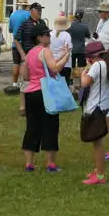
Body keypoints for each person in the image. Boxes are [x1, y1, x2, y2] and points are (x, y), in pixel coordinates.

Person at [22, 21, 69, 172]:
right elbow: (54, 68)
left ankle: (29, 163)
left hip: (31, 92)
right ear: (39, 37)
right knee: (50, 126)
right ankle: (50, 163)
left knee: (32, 127)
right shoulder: (45, 51)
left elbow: (26, 76)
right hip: (45, 92)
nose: (49, 36)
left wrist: (60, 57)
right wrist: (66, 57)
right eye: (47, 34)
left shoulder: (30, 53)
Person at [80, 41, 109, 185]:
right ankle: (98, 169)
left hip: (95, 107)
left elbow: (85, 83)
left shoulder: (96, 66)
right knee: (97, 141)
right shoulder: (107, 65)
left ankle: (100, 176)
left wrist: (83, 73)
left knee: (97, 143)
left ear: (91, 57)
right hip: (103, 105)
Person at [13, 3, 44, 113]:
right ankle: (23, 106)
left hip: (41, 56)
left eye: (41, 10)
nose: (40, 12)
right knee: (25, 81)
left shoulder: (43, 23)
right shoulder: (25, 24)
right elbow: (16, 39)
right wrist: (22, 54)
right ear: (31, 11)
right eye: (38, 10)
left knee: (41, 80)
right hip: (28, 55)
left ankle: (40, 105)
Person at [5, 0, 31, 94]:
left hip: (15, 43)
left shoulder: (13, 15)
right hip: (24, 43)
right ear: (26, 6)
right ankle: (22, 82)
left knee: (16, 63)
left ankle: (14, 83)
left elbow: (10, 30)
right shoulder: (27, 14)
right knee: (23, 63)